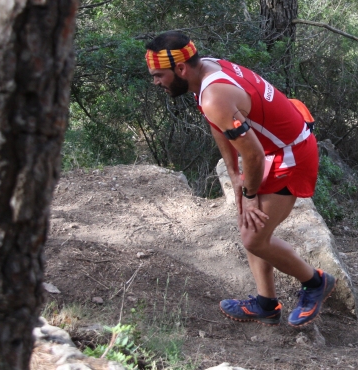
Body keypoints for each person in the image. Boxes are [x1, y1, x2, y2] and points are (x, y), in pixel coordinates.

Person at [143, 31, 336, 327]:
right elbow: (218, 125)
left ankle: (315, 282)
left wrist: (248, 195)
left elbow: (255, 155)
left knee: (254, 236)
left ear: (180, 69)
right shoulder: (206, 68)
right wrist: (234, 175)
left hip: (290, 154)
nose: (156, 82)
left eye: (158, 75)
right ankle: (266, 304)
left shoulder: (213, 96)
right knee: (251, 228)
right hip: (277, 148)